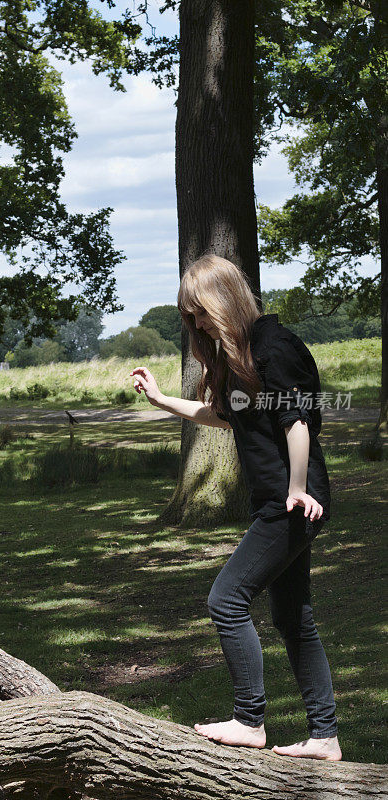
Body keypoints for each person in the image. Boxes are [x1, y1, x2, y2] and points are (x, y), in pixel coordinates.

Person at [129, 253, 342, 761]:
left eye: (200, 312)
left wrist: (295, 488)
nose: (197, 323)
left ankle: (249, 720)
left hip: (293, 502)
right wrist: (161, 400)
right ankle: (325, 737)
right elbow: (225, 417)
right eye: (190, 317)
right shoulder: (244, 354)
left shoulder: (276, 346)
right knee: (293, 617)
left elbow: (297, 422)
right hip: (283, 500)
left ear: (224, 299)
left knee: (226, 600)